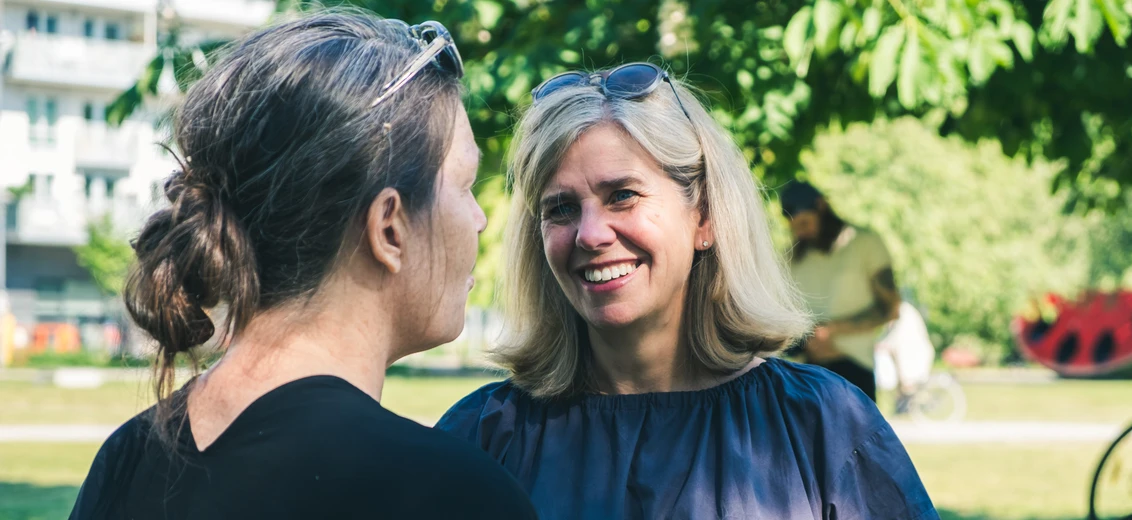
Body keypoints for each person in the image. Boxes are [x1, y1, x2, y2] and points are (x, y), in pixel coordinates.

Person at [70, 12, 536, 519]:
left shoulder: (126, 459)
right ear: (389, 228)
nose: (481, 219)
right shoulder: (451, 492)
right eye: (465, 186)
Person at [436, 62, 936, 519]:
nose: (590, 234)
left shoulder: (823, 428)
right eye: (561, 208)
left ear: (705, 217)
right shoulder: (484, 439)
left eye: (623, 196)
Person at [780, 180, 901, 402]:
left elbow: (890, 308)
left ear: (822, 207)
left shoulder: (865, 243)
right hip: (804, 371)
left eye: (806, 222)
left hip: (854, 368)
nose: (801, 232)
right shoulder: (790, 257)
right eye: (795, 227)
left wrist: (832, 330)